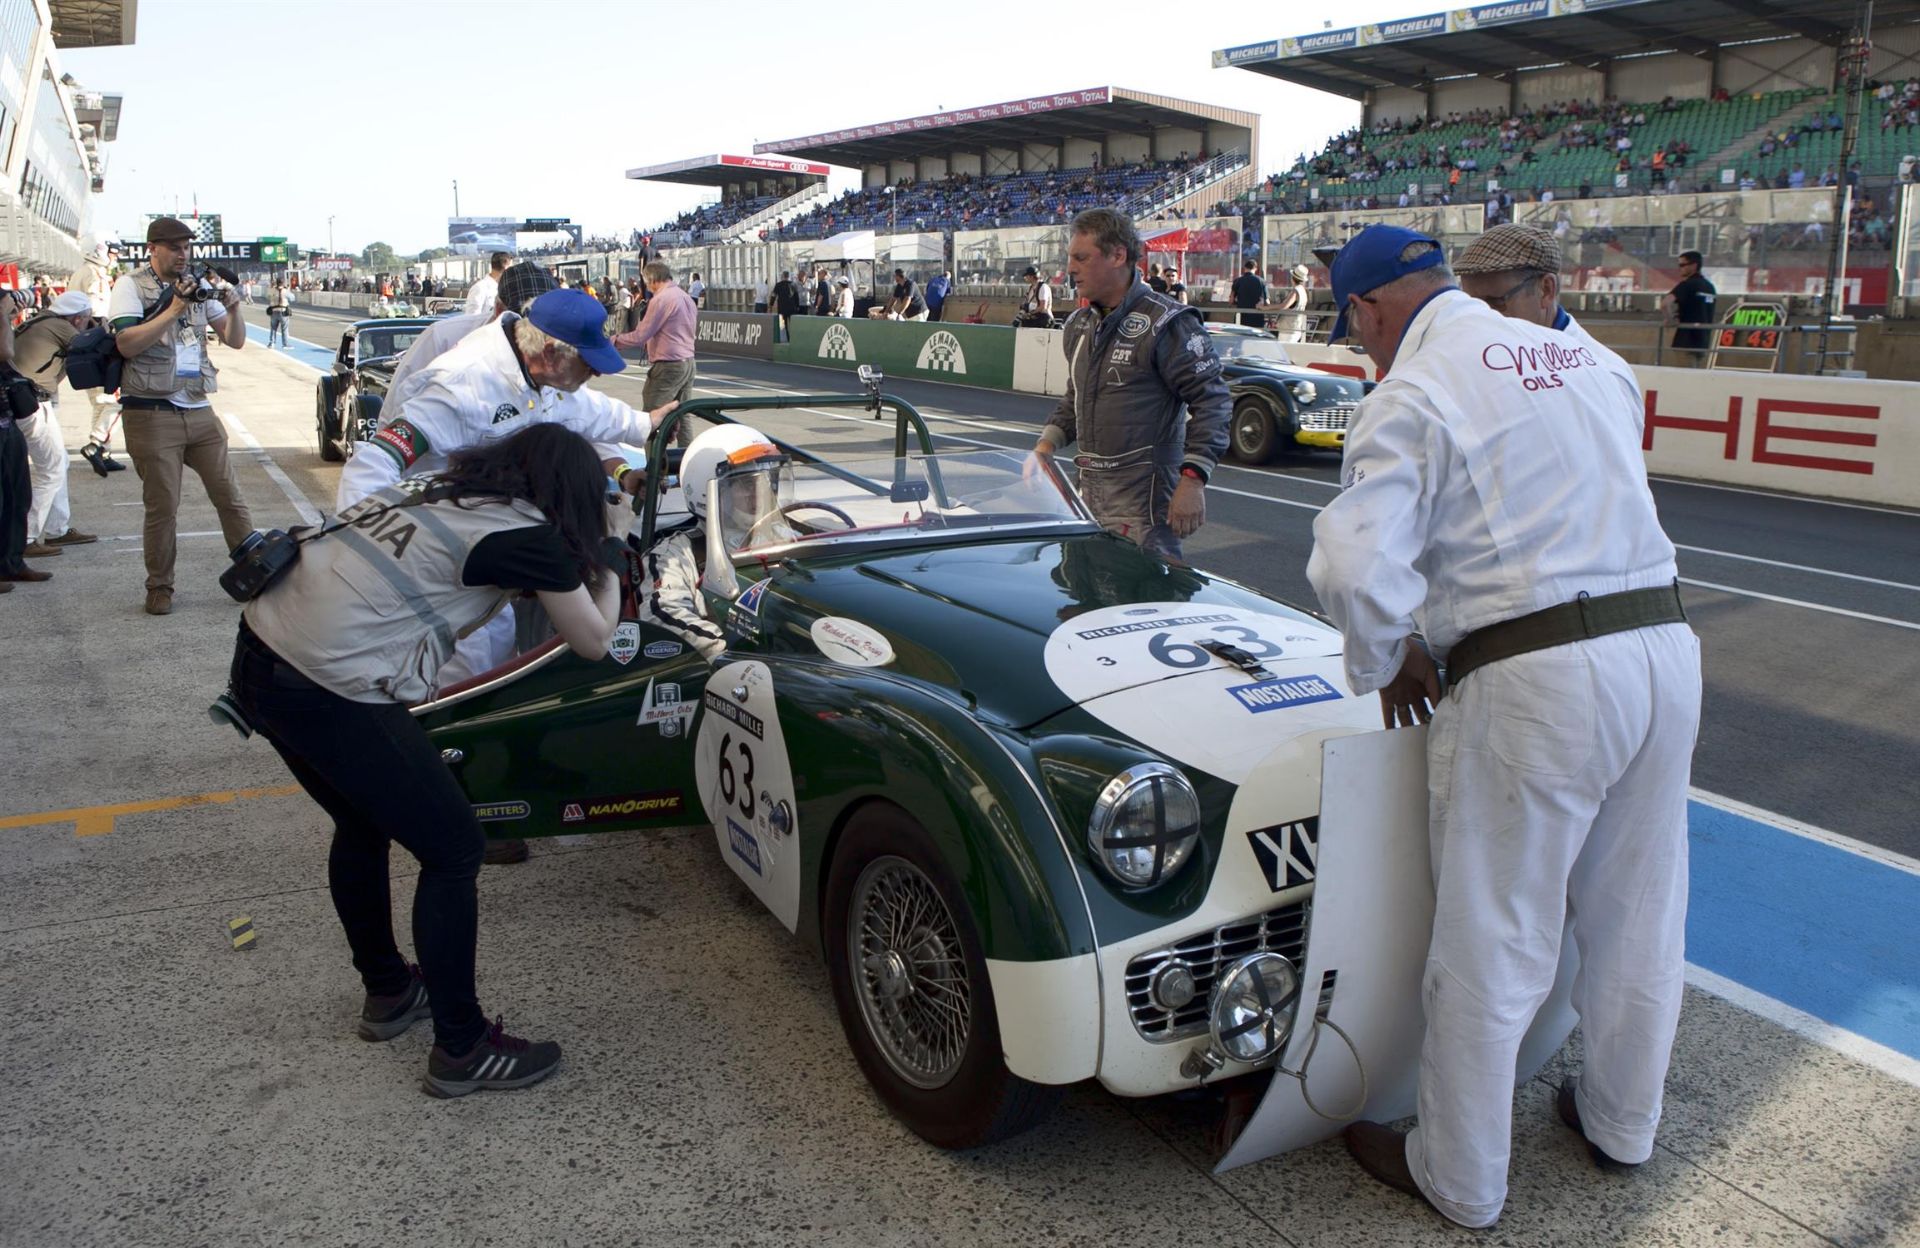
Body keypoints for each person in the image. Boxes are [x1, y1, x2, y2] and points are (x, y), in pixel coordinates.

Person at [1305, 225, 1700, 1231]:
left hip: (1538, 674)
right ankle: (1623, 1125)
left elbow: (1352, 569)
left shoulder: (1418, 387)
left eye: (1356, 331)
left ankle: (1463, 1177)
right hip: (1662, 647)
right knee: (1638, 913)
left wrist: (1390, 652)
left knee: (1494, 936)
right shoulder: (1591, 358)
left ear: (1368, 310)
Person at [230, 422, 623, 1098]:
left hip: (261, 657)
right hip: (330, 684)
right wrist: (614, 557)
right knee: (453, 850)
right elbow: (592, 638)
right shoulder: (525, 535)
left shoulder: (435, 487)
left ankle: (387, 992)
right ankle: (462, 1047)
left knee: (360, 824)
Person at [1032, 208, 1228, 563]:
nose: (1070, 269)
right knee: (1080, 604)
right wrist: (1045, 447)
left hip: (1146, 507)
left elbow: (1213, 401)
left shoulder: (1168, 322)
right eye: (1069, 258)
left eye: (1081, 257)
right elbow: (1077, 398)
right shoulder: (1079, 324)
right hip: (1085, 498)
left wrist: (1193, 480)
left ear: (1118, 255)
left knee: (1147, 609)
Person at [109, 216, 253, 616]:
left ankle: (255, 572)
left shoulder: (197, 286)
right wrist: (174, 308)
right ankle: (160, 587)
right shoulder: (130, 286)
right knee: (163, 506)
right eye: (174, 247)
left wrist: (233, 307)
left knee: (230, 496)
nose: (182, 254)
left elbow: (235, 340)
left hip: (198, 408)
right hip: (152, 412)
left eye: (186, 247)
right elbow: (125, 344)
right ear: (152, 248)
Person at [637, 423, 787, 661]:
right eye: (746, 482)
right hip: (734, 669)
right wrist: (734, 651)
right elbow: (662, 614)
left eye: (768, 479)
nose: (760, 490)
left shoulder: (790, 539)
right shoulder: (674, 555)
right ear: (707, 489)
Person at [367, 262, 558, 439]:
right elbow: (394, 409)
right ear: (500, 310)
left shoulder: (561, 345)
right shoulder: (443, 337)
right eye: (525, 322)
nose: (535, 334)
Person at [10, 291, 101, 556]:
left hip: (24, 399)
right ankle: (25, 538)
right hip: (31, 402)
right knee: (50, 468)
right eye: (86, 320)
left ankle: (57, 529)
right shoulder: (63, 328)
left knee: (58, 461)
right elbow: (93, 351)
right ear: (77, 318)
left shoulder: (42, 322)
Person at [1453, 224, 1606, 352]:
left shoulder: (1604, 373)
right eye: (1471, 304)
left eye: (1496, 303)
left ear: (1546, 290)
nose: (1481, 318)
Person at [609, 261, 699, 445]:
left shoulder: (661, 299)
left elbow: (641, 335)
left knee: (652, 418)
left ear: (652, 279)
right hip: (688, 361)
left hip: (668, 365)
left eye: (646, 281)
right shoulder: (685, 296)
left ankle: (655, 470)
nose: (647, 286)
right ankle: (687, 464)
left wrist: (613, 341)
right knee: (683, 416)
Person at [0, 295, 51, 591]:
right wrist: (3, 315)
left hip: (7, 421)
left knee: (17, 497)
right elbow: (5, 351)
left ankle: (12, 564)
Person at [1665, 250, 1716, 366]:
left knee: (1685, 378)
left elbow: (1665, 303)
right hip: (1703, 340)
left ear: (1694, 265)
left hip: (1686, 340)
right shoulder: (1709, 287)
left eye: (1682, 265)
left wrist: (1670, 320)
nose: (1680, 268)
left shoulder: (1687, 285)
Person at [1274, 264, 1313, 342]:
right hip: (1295, 327)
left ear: (1292, 278)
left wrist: (1265, 307)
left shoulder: (1295, 291)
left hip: (1288, 329)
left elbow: (1283, 306)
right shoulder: (1303, 290)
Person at [1231, 259, 1268, 329]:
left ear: (1244, 268)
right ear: (1256, 268)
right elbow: (1267, 302)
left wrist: (1239, 303)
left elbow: (1231, 300)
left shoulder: (1237, 281)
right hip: (1257, 318)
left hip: (1241, 317)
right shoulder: (1262, 281)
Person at [771, 270, 802, 336]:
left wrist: (771, 304)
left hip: (782, 308)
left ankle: (784, 338)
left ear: (782, 276)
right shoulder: (793, 284)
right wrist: (797, 306)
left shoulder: (778, 285)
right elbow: (796, 296)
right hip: (792, 308)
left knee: (782, 325)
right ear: (788, 276)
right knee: (793, 324)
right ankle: (793, 338)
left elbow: (773, 295)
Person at [266, 280, 291, 348]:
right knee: (284, 328)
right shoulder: (285, 291)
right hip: (283, 311)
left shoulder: (272, 290)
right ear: (283, 283)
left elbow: (267, 297)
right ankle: (285, 344)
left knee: (273, 328)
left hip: (274, 311)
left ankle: (271, 343)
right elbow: (292, 298)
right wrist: (288, 289)